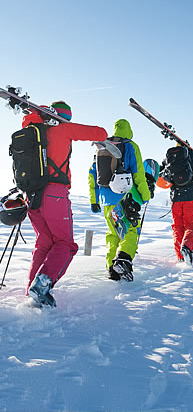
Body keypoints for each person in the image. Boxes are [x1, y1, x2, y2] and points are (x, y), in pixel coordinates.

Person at [25, 101, 108, 307]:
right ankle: (42, 285)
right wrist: (68, 124)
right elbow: (101, 133)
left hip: (32, 195)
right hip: (55, 194)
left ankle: (32, 288)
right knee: (65, 244)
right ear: (64, 117)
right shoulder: (64, 128)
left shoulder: (31, 130)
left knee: (44, 242)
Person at [88, 119, 151, 282]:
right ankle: (123, 260)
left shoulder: (103, 146)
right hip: (127, 198)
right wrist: (145, 196)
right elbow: (139, 174)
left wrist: (94, 200)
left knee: (113, 234)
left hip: (107, 200)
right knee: (131, 231)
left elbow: (92, 174)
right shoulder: (131, 146)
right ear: (129, 131)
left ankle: (112, 269)